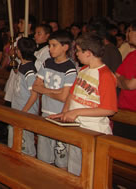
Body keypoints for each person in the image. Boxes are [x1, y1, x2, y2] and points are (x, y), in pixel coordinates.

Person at [49, 33, 117, 175]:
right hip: (77, 128)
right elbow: (72, 94)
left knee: (91, 173)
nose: (76, 54)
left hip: (94, 132)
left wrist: (77, 112)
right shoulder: (83, 70)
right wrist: (65, 112)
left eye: (78, 51)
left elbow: (109, 109)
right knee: (75, 171)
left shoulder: (105, 75)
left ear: (88, 53)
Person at [32, 30, 77, 170]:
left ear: (65, 47)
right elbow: (35, 86)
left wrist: (45, 89)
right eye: (49, 45)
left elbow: (64, 97)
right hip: (45, 112)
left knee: (61, 155)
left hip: (60, 115)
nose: (50, 49)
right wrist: (54, 90)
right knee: (44, 155)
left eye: (54, 45)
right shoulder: (47, 63)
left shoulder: (70, 68)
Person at [7, 37, 39, 156]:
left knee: (25, 141)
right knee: (15, 140)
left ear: (20, 51)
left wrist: (24, 112)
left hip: (25, 111)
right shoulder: (23, 65)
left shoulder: (30, 70)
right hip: (17, 107)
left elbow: (34, 95)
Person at [114, 20, 136, 140]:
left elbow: (132, 85)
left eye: (130, 31)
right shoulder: (131, 55)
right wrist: (125, 81)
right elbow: (115, 78)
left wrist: (123, 81)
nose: (127, 34)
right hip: (122, 111)